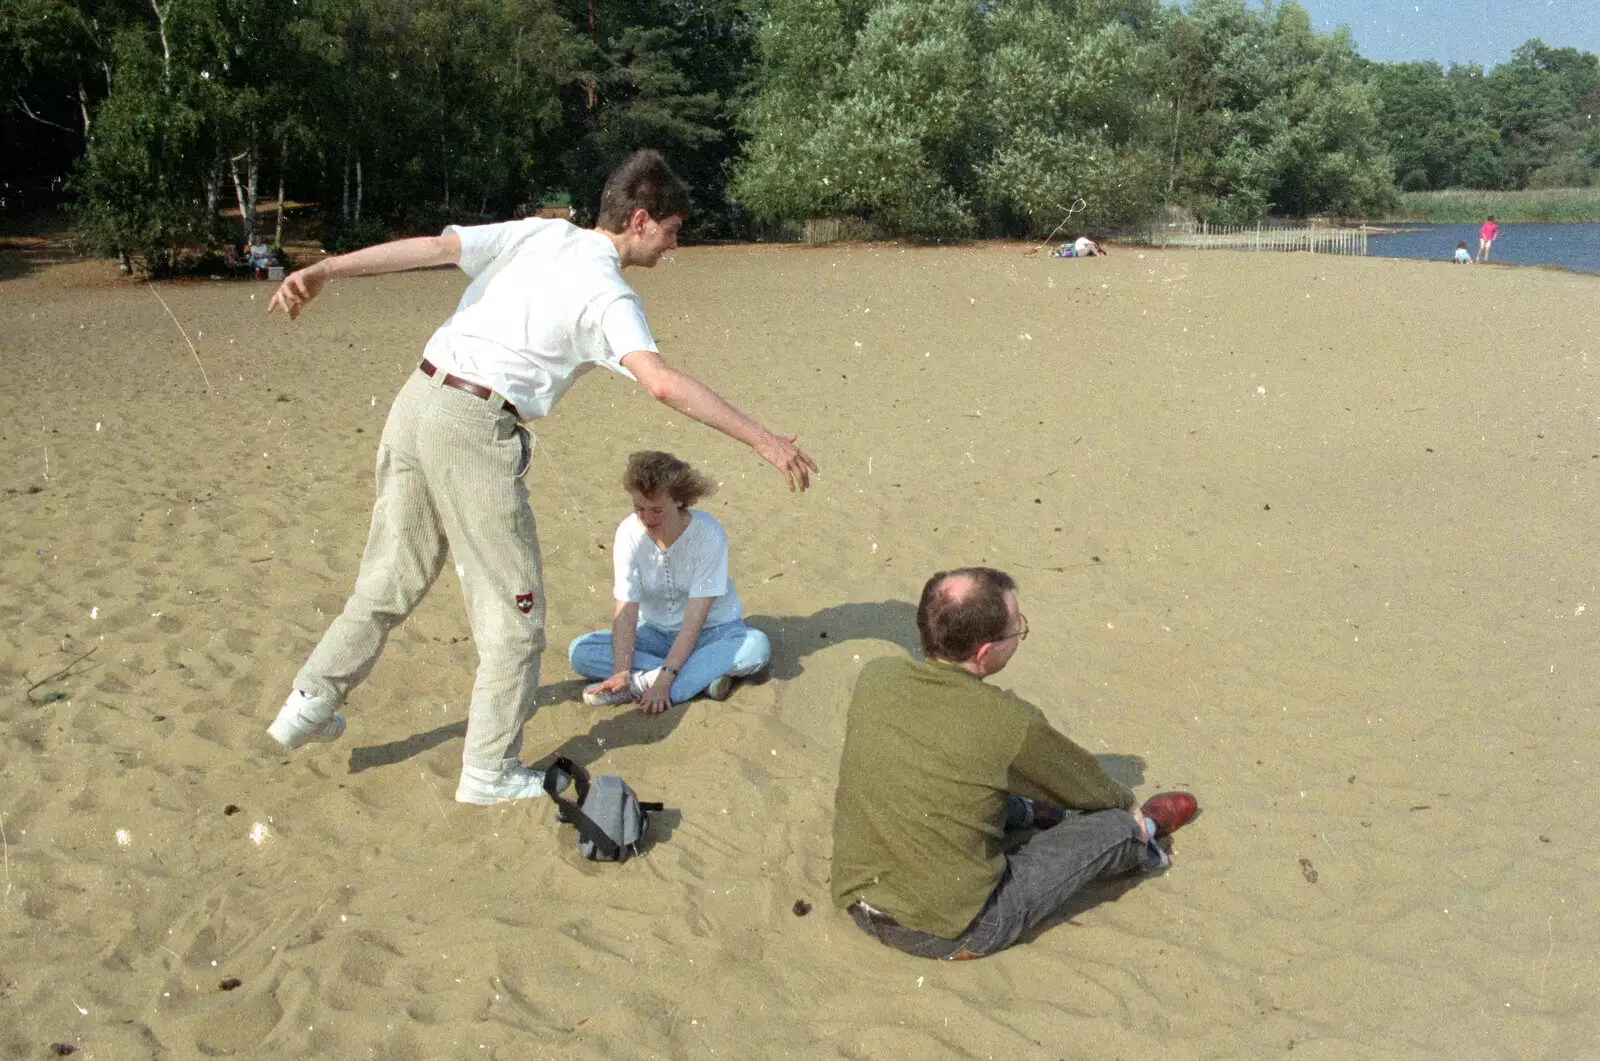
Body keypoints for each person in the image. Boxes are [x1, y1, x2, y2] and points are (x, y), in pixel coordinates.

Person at [262, 149, 817, 806]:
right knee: (517, 620)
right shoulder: (610, 294)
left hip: (416, 400)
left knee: (388, 577)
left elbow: (437, 248)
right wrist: (763, 439)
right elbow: (662, 384)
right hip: (471, 427)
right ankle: (489, 771)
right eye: (671, 230)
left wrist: (326, 268)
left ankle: (308, 702)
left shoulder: (541, 232)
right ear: (639, 219)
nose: (675, 244)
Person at [831, 567, 1198, 960]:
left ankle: (1025, 813)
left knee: (953, 777)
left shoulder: (876, 676)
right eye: (1016, 630)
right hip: (952, 929)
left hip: (858, 897)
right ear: (985, 652)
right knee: (1116, 826)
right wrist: (1128, 808)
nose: (1019, 636)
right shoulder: (1009, 722)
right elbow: (1093, 789)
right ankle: (1147, 838)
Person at [568, 451, 771, 713]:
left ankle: (646, 684)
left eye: (657, 510)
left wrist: (663, 680)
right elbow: (626, 609)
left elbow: (694, 622)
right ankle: (700, 679)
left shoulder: (708, 533)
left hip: (712, 632)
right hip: (653, 633)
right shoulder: (628, 533)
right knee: (580, 652)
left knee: (756, 647)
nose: (646, 518)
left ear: (679, 501)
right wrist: (620, 670)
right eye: (639, 508)